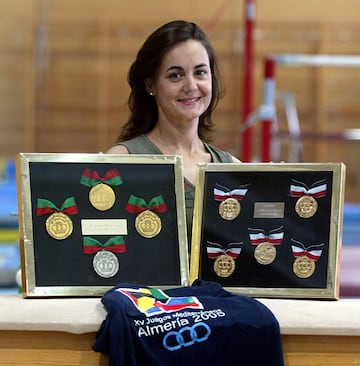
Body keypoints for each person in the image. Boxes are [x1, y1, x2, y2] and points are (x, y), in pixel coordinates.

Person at [106, 20, 240, 245]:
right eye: (175, 75)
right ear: (150, 85)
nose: (191, 85)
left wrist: (275, 190)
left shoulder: (233, 168)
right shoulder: (121, 161)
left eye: (200, 73)